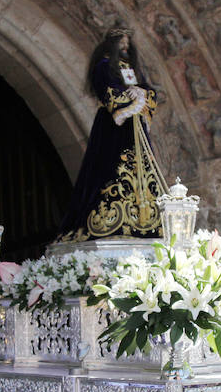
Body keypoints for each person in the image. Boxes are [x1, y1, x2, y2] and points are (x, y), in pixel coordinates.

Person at [56, 27, 169, 242]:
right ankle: (109, 218)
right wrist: (130, 98)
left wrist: (142, 93)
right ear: (112, 45)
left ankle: (145, 218)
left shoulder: (132, 69)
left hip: (136, 126)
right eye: (122, 43)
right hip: (113, 126)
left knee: (141, 170)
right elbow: (107, 91)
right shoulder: (104, 66)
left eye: (128, 43)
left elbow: (148, 90)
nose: (126, 47)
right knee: (109, 167)